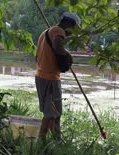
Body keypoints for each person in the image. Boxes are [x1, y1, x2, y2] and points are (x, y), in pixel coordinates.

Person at [35, 12, 81, 140]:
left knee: (55, 113)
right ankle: (42, 141)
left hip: (42, 75)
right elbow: (57, 46)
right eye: (73, 29)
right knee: (51, 114)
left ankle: (57, 141)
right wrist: (68, 55)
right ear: (68, 24)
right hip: (49, 78)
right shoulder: (58, 31)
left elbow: (37, 56)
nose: (71, 34)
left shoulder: (45, 33)